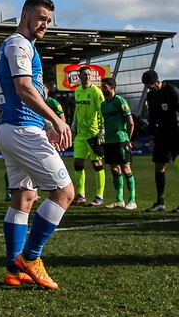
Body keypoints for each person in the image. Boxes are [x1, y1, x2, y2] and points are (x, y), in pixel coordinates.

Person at [0, 0, 74, 290]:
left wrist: (44, 123)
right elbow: (24, 88)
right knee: (65, 192)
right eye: (41, 18)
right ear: (25, 15)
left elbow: (24, 93)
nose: (45, 25)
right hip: (21, 131)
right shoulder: (19, 44)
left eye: (49, 21)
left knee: (24, 199)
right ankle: (30, 258)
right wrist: (56, 119)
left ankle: (13, 270)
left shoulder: (23, 45)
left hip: (17, 127)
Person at [4, 86, 60, 201]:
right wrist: (52, 125)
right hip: (28, 132)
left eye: (44, 88)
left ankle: (30, 192)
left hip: (32, 132)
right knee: (64, 192)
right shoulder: (30, 97)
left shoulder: (52, 102)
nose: (42, 90)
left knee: (23, 197)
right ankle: (13, 191)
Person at [140, 70, 179, 212]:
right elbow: (152, 118)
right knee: (159, 165)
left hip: (177, 133)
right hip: (162, 134)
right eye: (147, 87)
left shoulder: (172, 91)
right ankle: (160, 202)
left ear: (157, 81)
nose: (149, 89)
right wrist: (151, 137)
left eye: (150, 86)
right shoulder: (151, 96)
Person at [99, 77, 136, 209]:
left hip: (121, 140)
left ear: (112, 87)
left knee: (126, 169)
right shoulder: (103, 105)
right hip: (109, 141)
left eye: (104, 87)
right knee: (114, 169)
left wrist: (128, 139)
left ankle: (132, 200)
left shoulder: (120, 101)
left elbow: (130, 122)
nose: (102, 89)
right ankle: (119, 199)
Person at [71, 67, 106, 206]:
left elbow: (102, 110)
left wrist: (102, 129)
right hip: (80, 134)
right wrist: (74, 123)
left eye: (89, 75)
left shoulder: (96, 91)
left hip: (93, 133)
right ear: (79, 76)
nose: (87, 77)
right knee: (77, 163)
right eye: (84, 74)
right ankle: (81, 195)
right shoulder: (77, 91)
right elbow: (77, 109)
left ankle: (99, 196)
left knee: (96, 163)